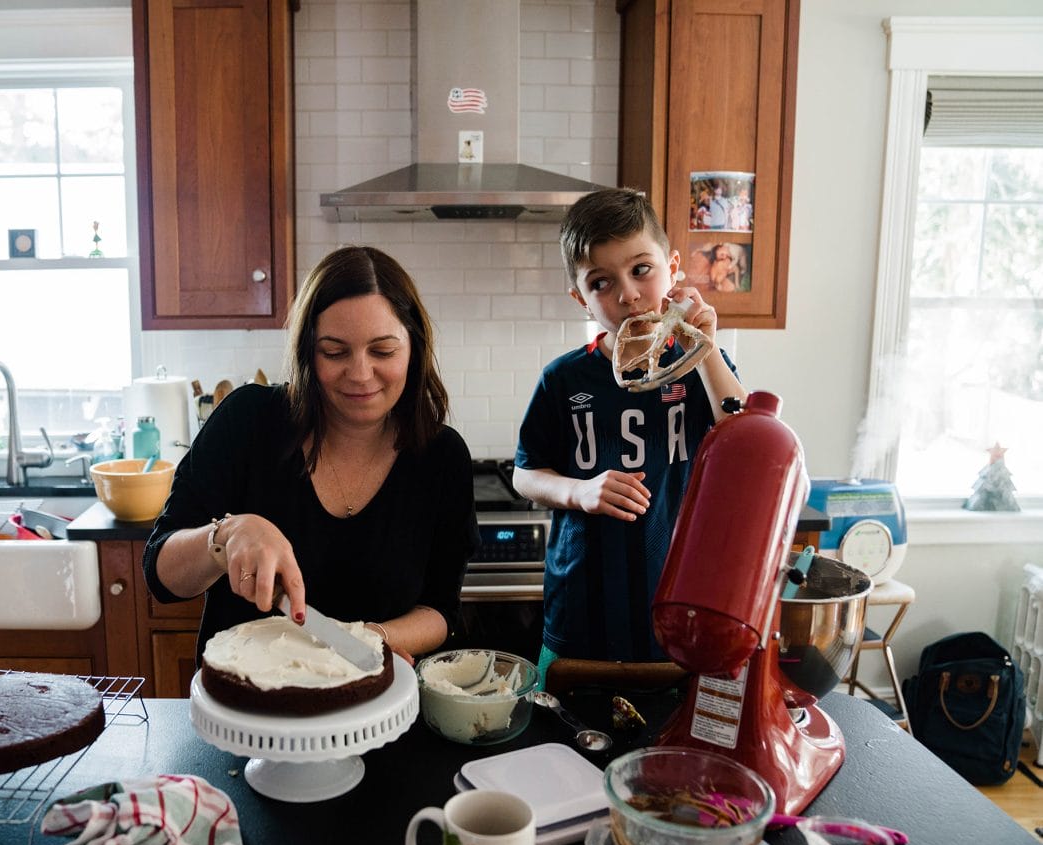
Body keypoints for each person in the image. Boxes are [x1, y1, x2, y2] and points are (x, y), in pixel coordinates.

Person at [142, 246, 479, 666]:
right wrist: (226, 536)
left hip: (375, 717)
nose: (359, 373)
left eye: (382, 351)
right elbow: (162, 576)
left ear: (413, 346)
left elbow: (441, 610)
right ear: (307, 351)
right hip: (246, 720)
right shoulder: (247, 422)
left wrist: (367, 638)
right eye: (334, 352)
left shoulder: (441, 457)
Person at [512, 188, 746, 682]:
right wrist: (580, 490)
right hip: (580, 615)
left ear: (674, 265)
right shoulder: (564, 379)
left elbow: (746, 445)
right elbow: (525, 474)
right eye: (602, 282)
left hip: (680, 611)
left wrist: (706, 350)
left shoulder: (701, 368)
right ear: (580, 297)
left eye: (641, 269)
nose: (628, 294)